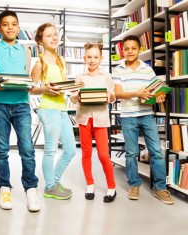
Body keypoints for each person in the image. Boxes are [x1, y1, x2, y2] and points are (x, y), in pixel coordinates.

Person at [0, 10, 40, 212]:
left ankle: (31, 189)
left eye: (14, 24)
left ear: (19, 28)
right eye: (6, 24)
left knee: (27, 150)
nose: (10, 27)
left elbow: (30, 81)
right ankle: (4, 187)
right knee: (1, 150)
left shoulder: (27, 52)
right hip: (0, 106)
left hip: (22, 104)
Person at [113, 35, 174, 205]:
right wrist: (136, 94)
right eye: (126, 49)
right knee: (131, 153)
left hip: (147, 114)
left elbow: (157, 90)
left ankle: (160, 187)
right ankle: (134, 184)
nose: (130, 51)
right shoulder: (118, 70)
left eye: (133, 48)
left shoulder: (147, 70)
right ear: (122, 51)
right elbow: (117, 93)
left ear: (139, 50)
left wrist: (159, 96)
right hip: (128, 117)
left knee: (157, 151)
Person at [30, 23, 76, 200]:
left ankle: (54, 182)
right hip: (48, 109)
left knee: (70, 150)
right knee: (50, 150)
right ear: (41, 40)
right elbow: (30, 89)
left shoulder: (61, 60)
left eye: (55, 34)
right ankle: (50, 186)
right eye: (49, 35)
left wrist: (73, 90)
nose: (54, 38)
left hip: (62, 108)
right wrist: (45, 89)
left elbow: (61, 85)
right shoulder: (39, 63)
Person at [70, 42, 116, 202]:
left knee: (104, 154)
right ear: (84, 58)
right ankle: (90, 185)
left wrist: (108, 97)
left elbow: (112, 96)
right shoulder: (79, 77)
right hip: (84, 118)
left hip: (101, 119)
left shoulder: (107, 76)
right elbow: (73, 97)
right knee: (86, 153)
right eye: (89, 57)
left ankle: (111, 187)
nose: (92, 60)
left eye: (95, 57)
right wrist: (78, 98)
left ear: (101, 58)